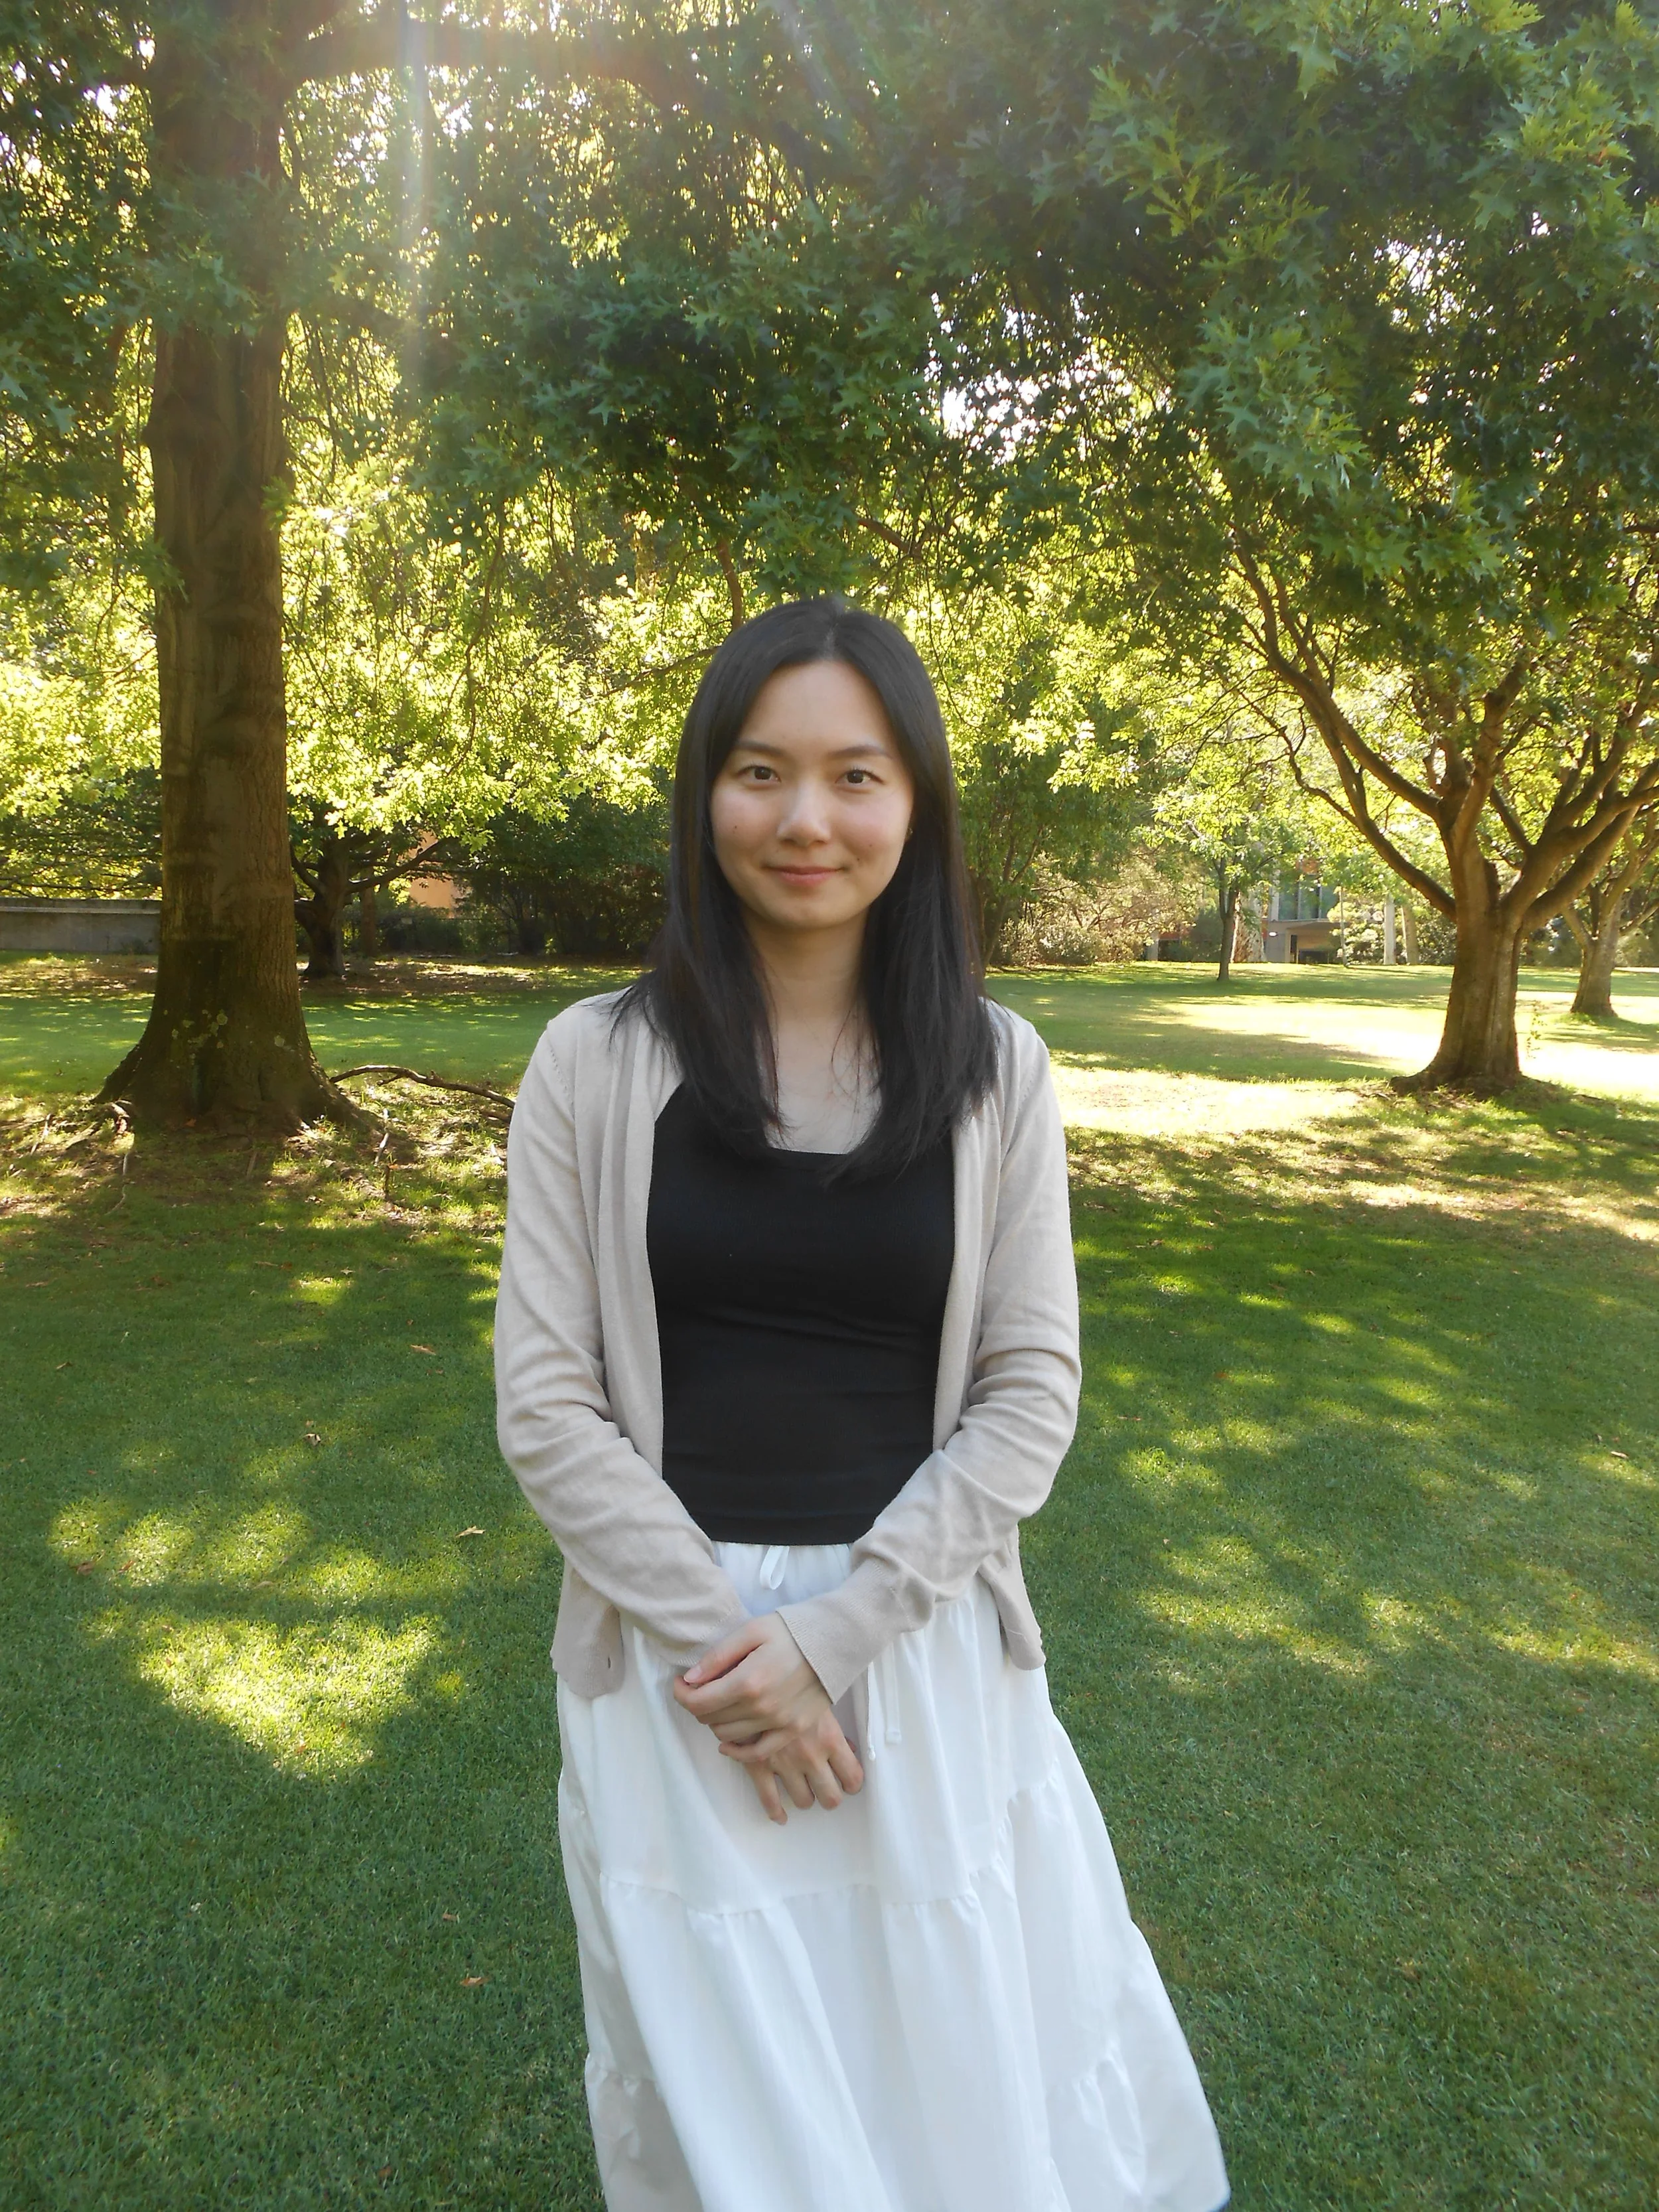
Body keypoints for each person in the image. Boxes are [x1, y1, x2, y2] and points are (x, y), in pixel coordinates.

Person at [495, 599, 1229, 2212]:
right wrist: (731, 1655)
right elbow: (547, 1402)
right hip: (674, 1668)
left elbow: (1028, 1388)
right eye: (760, 771)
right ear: (704, 794)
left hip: (916, 1643)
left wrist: (831, 1640)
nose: (805, 819)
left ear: (916, 805)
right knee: (725, 2075)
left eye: (854, 774)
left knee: (954, 2064)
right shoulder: (590, 1061)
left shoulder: (997, 1067)